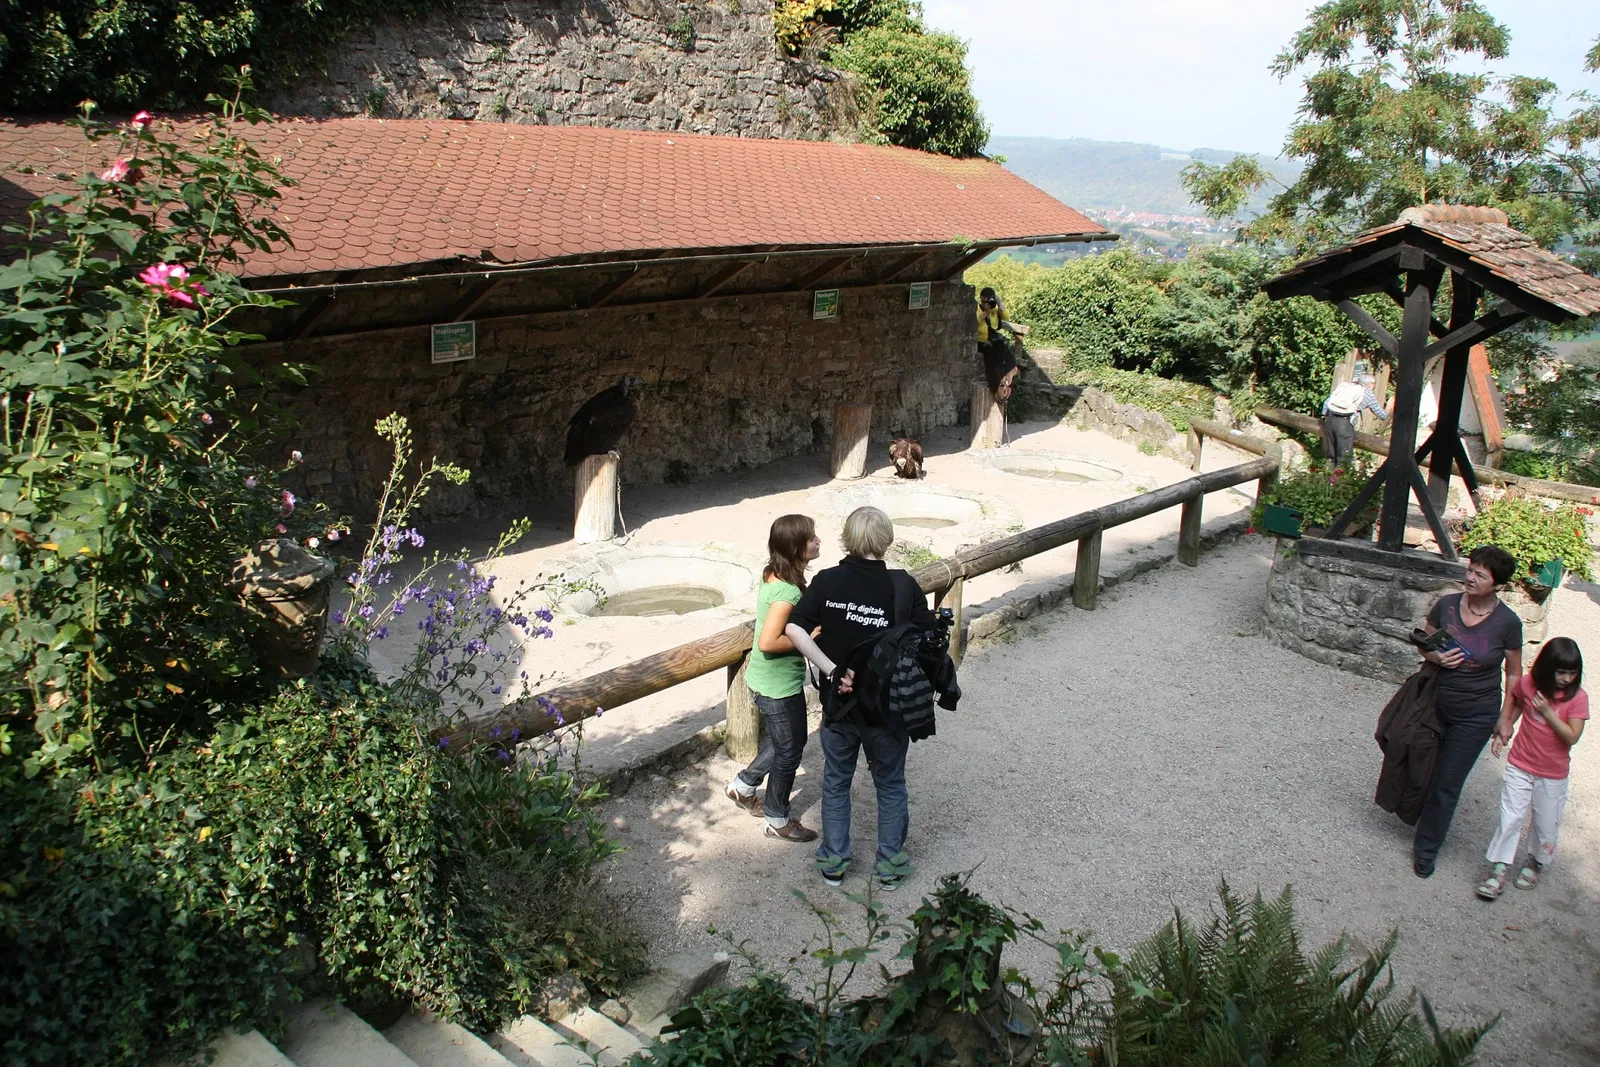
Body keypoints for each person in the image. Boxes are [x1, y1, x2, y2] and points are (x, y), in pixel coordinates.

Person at [783, 506, 935, 892]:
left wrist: (831, 669)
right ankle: (890, 866)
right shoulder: (903, 587)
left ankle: (834, 862)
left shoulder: (828, 581)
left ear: (848, 539)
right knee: (890, 783)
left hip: (839, 704)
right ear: (886, 539)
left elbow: (794, 629)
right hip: (888, 708)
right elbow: (929, 643)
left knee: (836, 782)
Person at [1411, 545, 1523, 878]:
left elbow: (1514, 673)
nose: (1470, 577)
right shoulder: (1445, 605)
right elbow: (1425, 642)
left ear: (1498, 585)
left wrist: (1505, 718)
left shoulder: (1508, 623)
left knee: (1447, 781)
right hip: (1433, 702)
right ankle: (1413, 809)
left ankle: (1426, 847)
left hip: (1476, 714)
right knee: (1417, 759)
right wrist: (1433, 657)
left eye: (1480, 574)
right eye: (1470, 569)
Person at [726, 514, 823, 842]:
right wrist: (808, 635)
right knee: (790, 750)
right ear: (797, 548)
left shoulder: (774, 572)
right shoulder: (787, 593)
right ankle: (777, 818)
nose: (818, 542)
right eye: (811, 539)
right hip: (777, 687)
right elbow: (768, 642)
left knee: (789, 742)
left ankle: (742, 786)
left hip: (767, 680)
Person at [1476, 637, 1586, 900]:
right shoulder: (1529, 685)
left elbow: (1572, 736)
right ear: (1546, 668)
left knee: (1546, 821)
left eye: (1572, 673)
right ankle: (1500, 868)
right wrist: (1505, 729)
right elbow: (1516, 701)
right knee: (1511, 815)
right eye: (1561, 672)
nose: (1566, 679)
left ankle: (1535, 861)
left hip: (1553, 774)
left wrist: (1548, 712)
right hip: (1520, 764)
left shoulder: (1578, 699)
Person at [1320, 374, 1387, 464]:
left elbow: (1327, 402)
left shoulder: (1346, 388)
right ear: (1370, 384)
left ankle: (1328, 476)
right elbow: (1380, 413)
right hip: (1344, 424)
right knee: (1344, 457)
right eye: (1373, 383)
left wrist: (1325, 416)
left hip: (1330, 421)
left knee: (1331, 455)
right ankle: (1342, 477)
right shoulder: (1368, 394)